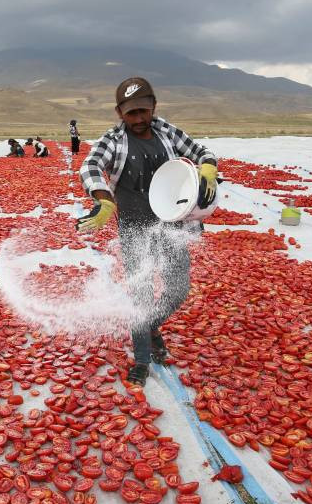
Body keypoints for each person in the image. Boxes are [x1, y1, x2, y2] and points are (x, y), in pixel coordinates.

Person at [76, 76, 218, 386]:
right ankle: (141, 358)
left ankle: (151, 326)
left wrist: (207, 169)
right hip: (135, 225)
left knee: (177, 289)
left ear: (153, 106)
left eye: (144, 111)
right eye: (131, 114)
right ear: (119, 113)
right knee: (140, 293)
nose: (139, 119)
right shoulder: (114, 140)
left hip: (170, 224)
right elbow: (89, 166)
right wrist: (103, 201)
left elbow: (202, 153)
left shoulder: (166, 130)